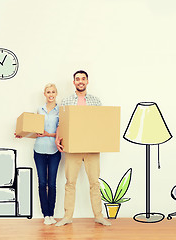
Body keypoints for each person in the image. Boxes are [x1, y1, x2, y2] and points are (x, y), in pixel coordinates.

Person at [55, 70, 111, 227]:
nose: (80, 81)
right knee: (70, 182)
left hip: (92, 147)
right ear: (74, 82)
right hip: (73, 147)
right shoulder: (66, 101)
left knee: (94, 182)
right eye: (77, 79)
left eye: (83, 79)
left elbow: (101, 123)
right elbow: (61, 123)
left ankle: (98, 216)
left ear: (87, 81)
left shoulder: (96, 101)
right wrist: (57, 139)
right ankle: (67, 216)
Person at [15, 83, 61, 225]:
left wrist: (50, 134)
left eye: (53, 92)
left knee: (52, 184)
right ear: (44, 94)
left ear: (56, 93)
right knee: (42, 182)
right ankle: (45, 215)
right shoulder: (39, 110)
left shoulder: (61, 111)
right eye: (48, 92)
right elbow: (36, 131)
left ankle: (51, 214)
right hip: (39, 150)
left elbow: (62, 131)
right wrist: (23, 134)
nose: (51, 94)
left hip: (54, 151)